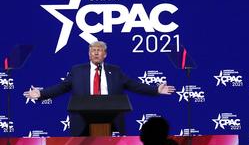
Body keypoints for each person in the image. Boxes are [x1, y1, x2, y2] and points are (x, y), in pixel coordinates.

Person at [24, 41, 175, 134]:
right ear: (89, 55)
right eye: (92, 51)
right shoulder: (77, 70)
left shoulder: (114, 71)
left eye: (99, 50)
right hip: (82, 120)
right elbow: (61, 87)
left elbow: (133, 85)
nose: (95, 52)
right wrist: (41, 94)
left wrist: (156, 89)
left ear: (105, 54)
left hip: (110, 119)